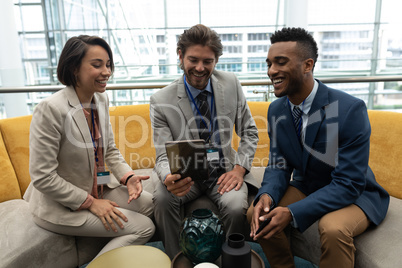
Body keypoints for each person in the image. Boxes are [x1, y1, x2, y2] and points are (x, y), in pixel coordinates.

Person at [248, 27, 390, 268]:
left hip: (355, 192)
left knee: (333, 229)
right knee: (258, 214)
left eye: (281, 62)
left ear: (308, 65)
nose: (272, 71)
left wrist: (292, 212)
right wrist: (267, 195)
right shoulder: (276, 110)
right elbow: (278, 164)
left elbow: (348, 183)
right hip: (309, 185)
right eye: (269, 63)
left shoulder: (349, 109)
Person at [23, 35, 155, 262]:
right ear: (74, 69)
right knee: (144, 228)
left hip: (99, 186)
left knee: (150, 204)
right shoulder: (50, 109)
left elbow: (110, 150)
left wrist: (128, 176)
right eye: (97, 65)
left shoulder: (100, 100)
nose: (107, 72)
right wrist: (92, 203)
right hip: (60, 205)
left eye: (108, 65)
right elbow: (42, 177)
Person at [150, 24, 259, 259]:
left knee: (233, 206)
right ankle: (176, 260)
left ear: (216, 60)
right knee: (161, 198)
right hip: (186, 175)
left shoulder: (231, 84)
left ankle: (229, 260)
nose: (200, 68)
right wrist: (169, 177)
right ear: (180, 56)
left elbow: (249, 132)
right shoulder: (161, 100)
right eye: (193, 60)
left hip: (223, 171)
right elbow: (161, 154)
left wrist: (239, 169)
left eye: (207, 61)